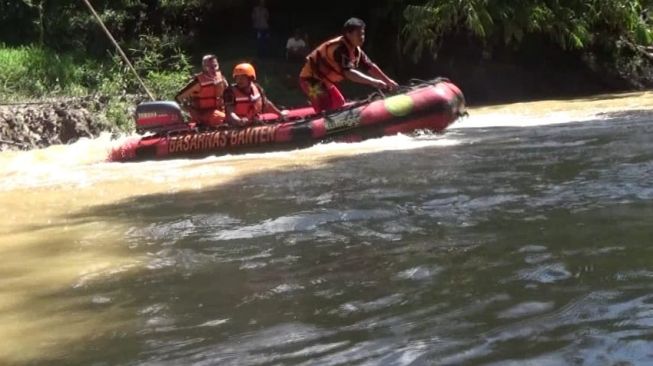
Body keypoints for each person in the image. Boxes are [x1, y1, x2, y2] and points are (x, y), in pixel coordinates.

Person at [299, 18, 399, 113]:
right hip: (310, 80)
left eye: (363, 34)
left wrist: (388, 81)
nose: (362, 37)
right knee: (325, 108)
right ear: (348, 34)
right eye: (358, 34)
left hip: (324, 81)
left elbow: (370, 66)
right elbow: (348, 73)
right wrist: (373, 82)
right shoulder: (339, 49)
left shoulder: (355, 50)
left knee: (339, 103)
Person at [175, 54, 228, 128]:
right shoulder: (197, 82)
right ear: (204, 67)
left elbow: (228, 93)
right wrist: (188, 110)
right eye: (210, 67)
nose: (214, 69)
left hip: (219, 110)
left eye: (215, 66)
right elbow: (178, 98)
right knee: (223, 118)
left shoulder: (221, 78)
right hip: (203, 114)